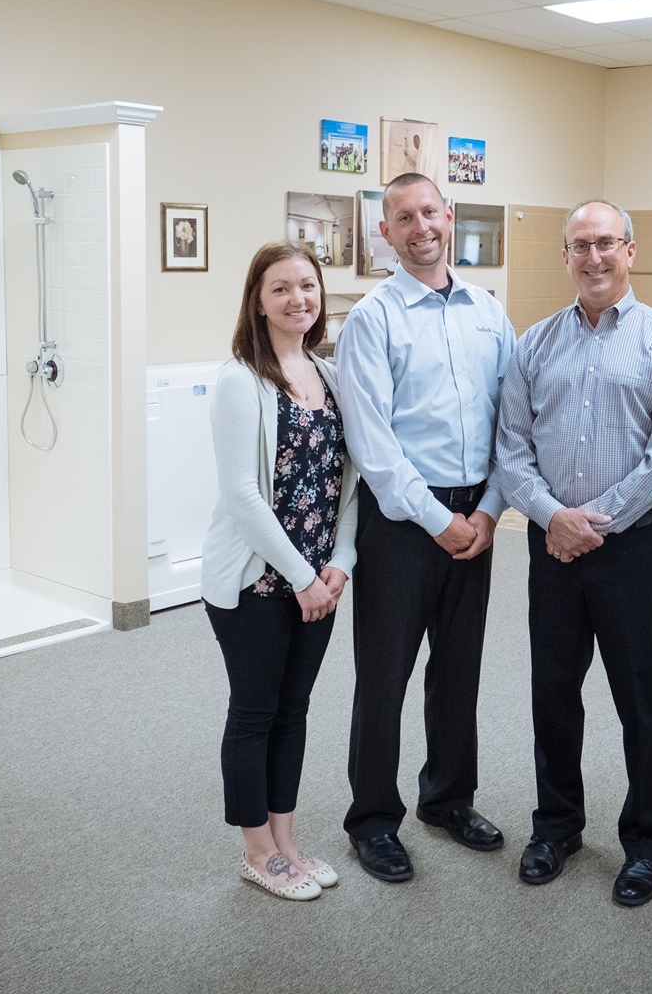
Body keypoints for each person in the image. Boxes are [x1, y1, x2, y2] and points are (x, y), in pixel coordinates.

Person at [495, 199, 652, 908]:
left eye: (605, 243)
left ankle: (646, 842)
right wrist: (553, 517)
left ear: (631, 249)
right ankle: (555, 826)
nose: (593, 257)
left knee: (638, 701)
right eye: (580, 245)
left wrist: (593, 523)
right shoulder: (534, 344)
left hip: (631, 551)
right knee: (552, 694)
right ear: (564, 256)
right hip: (550, 550)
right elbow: (510, 451)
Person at [335, 172, 515, 882]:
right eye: (403, 218)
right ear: (387, 232)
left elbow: (512, 422)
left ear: (448, 215)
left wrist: (491, 509)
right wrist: (442, 521)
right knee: (384, 676)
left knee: (458, 670)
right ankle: (373, 819)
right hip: (405, 520)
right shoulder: (372, 317)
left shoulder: (488, 312)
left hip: (476, 516)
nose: (420, 227)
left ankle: (447, 798)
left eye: (429, 212)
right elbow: (373, 445)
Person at [202, 241, 361, 902]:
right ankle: (256, 851)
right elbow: (241, 495)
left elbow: (348, 485)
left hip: (317, 582)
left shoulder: (328, 373)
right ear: (257, 301)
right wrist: (300, 577)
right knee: (255, 713)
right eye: (280, 288)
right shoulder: (240, 379)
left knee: (292, 712)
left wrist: (339, 565)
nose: (298, 298)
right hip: (257, 584)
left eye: (307, 285)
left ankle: (286, 839)